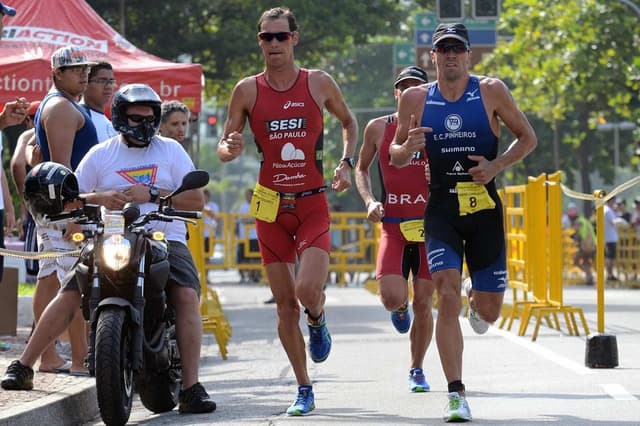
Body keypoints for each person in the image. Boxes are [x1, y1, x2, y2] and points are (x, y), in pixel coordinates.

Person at [1, 84, 216, 414]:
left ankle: (191, 386)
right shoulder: (102, 154)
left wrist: (154, 194)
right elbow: (74, 193)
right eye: (135, 118)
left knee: (186, 294)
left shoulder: (171, 150)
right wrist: (99, 198)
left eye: (149, 118)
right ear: (119, 118)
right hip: (111, 237)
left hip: (164, 237)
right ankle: (24, 365)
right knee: (72, 291)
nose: (143, 124)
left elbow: (195, 199)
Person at [389, 23, 537, 422]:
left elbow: (527, 138)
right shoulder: (416, 98)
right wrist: (408, 148)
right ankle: (456, 393)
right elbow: (396, 154)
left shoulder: (491, 90)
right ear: (431, 57)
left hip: (484, 209)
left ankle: (479, 299)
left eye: (457, 49)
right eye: (443, 49)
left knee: (489, 312)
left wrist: (496, 165)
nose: (450, 55)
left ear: (469, 55)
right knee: (445, 294)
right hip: (441, 209)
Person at [217, 6, 357, 416]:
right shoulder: (247, 90)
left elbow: (348, 122)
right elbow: (228, 142)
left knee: (306, 290)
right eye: (266, 37)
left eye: (281, 36)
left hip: (312, 201)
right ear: (259, 41)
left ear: (295, 38)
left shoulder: (318, 83)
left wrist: (346, 162)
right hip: (269, 205)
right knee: (283, 304)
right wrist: (230, 148)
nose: (274, 44)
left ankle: (318, 318)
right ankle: (303, 387)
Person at [355, 66, 435, 393]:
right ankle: (399, 307)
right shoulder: (377, 128)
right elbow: (361, 169)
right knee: (391, 297)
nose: (409, 92)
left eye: (417, 87)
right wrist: (370, 200)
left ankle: (416, 368)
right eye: (404, 87)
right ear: (396, 94)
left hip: (431, 228)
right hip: (394, 226)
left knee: (425, 303)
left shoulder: (442, 128)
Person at [30, 45, 101, 375]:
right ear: (57, 73)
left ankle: (50, 356)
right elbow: (61, 169)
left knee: (49, 280)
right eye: (75, 69)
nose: (83, 74)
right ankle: (79, 357)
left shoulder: (64, 104)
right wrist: (73, 215)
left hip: (57, 208)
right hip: (64, 208)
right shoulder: (61, 107)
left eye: (85, 69)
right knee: (75, 283)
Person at [10, 101, 41, 277]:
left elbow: (17, 164)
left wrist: (26, 203)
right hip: (68, 206)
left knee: (36, 270)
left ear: (30, 120)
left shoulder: (30, 135)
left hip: (39, 207)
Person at [81, 61, 118, 142]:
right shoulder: (79, 117)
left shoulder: (110, 122)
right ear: (85, 83)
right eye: (102, 81)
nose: (108, 86)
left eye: (111, 81)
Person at [566, 203, 596, 285]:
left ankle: (589, 276)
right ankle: (589, 278)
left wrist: (573, 239)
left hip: (586, 246)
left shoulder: (578, 222)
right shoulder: (583, 220)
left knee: (576, 261)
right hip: (592, 245)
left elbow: (576, 234)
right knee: (585, 262)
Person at [236, 188, 260, 283]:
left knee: (256, 257)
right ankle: (246, 276)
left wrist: (249, 220)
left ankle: (255, 275)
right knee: (245, 257)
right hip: (244, 236)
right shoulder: (242, 207)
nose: (248, 197)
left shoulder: (257, 205)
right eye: (246, 195)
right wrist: (251, 220)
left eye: (250, 195)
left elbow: (257, 219)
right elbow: (240, 220)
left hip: (255, 235)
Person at [604, 197, 621, 281]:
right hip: (611, 238)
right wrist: (621, 221)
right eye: (614, 201)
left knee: (609, 257)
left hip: (607, 237)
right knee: (611, 258)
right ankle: (610, 275)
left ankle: (609, 275)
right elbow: (613, 221)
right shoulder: (608, 210)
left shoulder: (605, 209)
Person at [203, 188, 220, 255]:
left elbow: (216, 218)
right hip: (200, 234)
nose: (204, 198)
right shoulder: (198, 205)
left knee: (209, 254)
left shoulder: (214, 205)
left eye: (205, 196)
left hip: (210, 234)